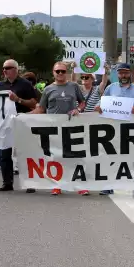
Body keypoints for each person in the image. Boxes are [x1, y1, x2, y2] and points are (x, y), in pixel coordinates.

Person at [93, 63, 134, 196]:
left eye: (126, 73)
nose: (123, 75)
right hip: (114, 129)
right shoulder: (111, 88)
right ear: (117, 74)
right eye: (121, 73)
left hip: (132, 128)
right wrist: (98, 106)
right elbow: (102, 102)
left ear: (130, 73)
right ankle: (108, 185)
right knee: (111, 156)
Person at [34, 61, 86, 196]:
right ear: (53, 73)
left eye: (63, 71)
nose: (61, 74)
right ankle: (57, 185)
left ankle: (80, 185)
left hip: (71, 127)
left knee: (75, 157)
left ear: (67, 73)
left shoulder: (74, 86)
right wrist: (23, 117)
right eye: (58, 71)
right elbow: (41, 108)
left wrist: (78, 109)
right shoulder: (48, 89)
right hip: (53, 128)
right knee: (55, 157)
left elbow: (82, 102)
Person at [0, 59, 38, 192]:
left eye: (8, 68)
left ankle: (30, 183)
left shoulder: (25, 84)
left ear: (16, 69)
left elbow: (33, 103)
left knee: (25, 154)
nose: (5, 70)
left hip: (22, 122)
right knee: (5, 154)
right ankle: (7, 182)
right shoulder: (0, 86)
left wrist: (18, 99)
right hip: (6, 124)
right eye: (3, 68)